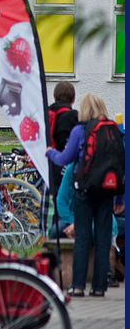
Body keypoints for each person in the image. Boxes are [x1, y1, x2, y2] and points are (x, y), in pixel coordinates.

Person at [46, 92, 114, 297]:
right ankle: (100, 287)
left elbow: (65, 158)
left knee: (82, 237)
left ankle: (77, 286)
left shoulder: (79, 131)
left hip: (84, 188)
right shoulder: (112, 130)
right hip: (107, 190)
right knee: (103, 238)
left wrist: (49, 151)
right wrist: (119, 197)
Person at [48, 81, 79, 190]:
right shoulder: (75, 117)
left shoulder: (48, 114)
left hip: (48, 165)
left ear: (55, 98)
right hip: (66, 168)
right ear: (73, 99)